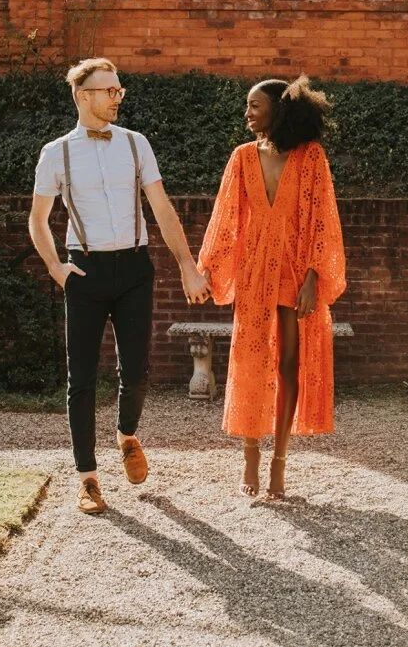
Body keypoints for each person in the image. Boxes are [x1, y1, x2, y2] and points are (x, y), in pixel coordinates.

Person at [29, 57, 210, 515]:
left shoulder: (135, 144)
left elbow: (163, 208)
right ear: (82, 96)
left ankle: (127, 434)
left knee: (137, 370)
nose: (117, 98)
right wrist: (55, 266)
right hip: (84, 272)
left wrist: (187, 265)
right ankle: (87, 479)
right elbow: (37, 218)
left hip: (133, 269)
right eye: (109, 91)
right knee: (82, 378)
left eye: (118, 90)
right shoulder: (57, 153)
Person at [197, 75, 346, 500]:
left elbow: (322, 220)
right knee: (250, 363)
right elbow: (225, 219)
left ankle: (279, 459)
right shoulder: (242, 158)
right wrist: (207, 270)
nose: (247, 113)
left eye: (254, 105)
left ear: (278, 110)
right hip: (255, 272)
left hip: (296, 271)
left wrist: (314, 278)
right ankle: (250, 455)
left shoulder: (311, 157)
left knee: (288, 365)